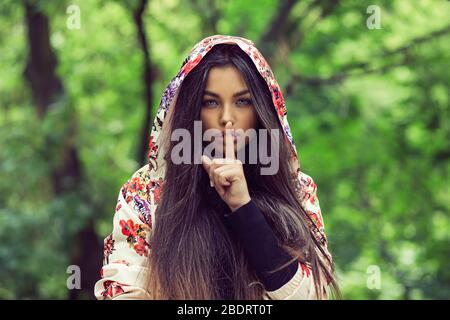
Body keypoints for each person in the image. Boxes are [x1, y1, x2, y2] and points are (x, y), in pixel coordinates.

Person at [94, 35, 340, 300]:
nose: (226, 119)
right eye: (210, 102)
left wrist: (244, 208)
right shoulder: (145, 192)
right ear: (192, 109)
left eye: (242, 101)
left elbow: (312, 296)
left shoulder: (297, 190)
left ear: (261, 109)